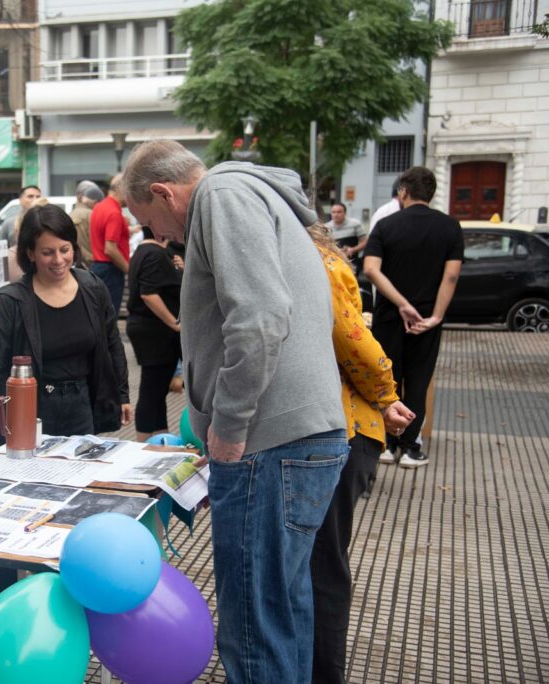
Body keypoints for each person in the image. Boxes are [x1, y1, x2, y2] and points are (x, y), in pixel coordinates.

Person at [123, 139, 347, 684]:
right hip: (296, 437)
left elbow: (259, 317)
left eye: (149, 221)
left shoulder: (222, 196)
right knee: (280, 613)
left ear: (163, 192)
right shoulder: (250, 195)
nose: (157, 237)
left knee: (252, 628)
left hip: (268, 444)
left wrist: (227, 427)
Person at [306, 222, 416, 684]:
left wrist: (387, 396)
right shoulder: (318, 258)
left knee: (323, 564)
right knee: (316, 561)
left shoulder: (317, 262)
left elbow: (352, 339)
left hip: (344, 428)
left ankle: (323, 674)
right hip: (335, 426)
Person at [0, 203, 131, 456]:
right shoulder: (10, 302)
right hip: (30, 412)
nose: (58, 260)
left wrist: (122, 394)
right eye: (47, 252)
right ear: (30, 253)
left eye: (65, 250)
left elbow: (112, 344)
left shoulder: (92, 288)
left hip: (81, 407)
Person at [363, 166, 464, 469]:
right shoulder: (450, 227)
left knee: (387, 379)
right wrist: (435, 317)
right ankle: (410, 449)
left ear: (403, 192)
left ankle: (384, 443)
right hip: (426, 322)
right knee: (418, 382)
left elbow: (370, 269)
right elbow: (451, 277)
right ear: (431, 194)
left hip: (389, 317)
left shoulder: (386, 225)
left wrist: (401, 304)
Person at [126, 226, 182, 442]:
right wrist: (174, 323)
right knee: (152, 390)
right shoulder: (155, 254)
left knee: (157, 390)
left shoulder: (144, 252)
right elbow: (149, 294)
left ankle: (160, 438)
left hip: (151, 330)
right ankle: (143, 443)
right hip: (155, 332)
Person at [89, 174, 131, 315]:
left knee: (100, 315)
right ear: (122, 189)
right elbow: (110, 248)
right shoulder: (114, 212)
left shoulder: (100, 207)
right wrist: (130, 272)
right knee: (109, 316)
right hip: (110, 270)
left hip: (99, 267)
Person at [70, 180, 104, 266]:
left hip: (79, 262)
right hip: (93, 262)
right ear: (81, 196)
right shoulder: (90, 214)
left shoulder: (71, 214)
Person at [326, 201, 367, 268]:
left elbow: (365, 242)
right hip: (334, 262)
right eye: (333, 212)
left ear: (345, 213)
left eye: (339, 212)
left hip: (352, 261)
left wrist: (353, 249)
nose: (336, 214)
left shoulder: (355, 224)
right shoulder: (327, 227)